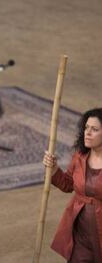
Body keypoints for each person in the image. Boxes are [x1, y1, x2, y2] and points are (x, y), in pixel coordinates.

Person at [43, 108, 102, 262]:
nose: (87, 133)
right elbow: (67, 184)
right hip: (80, 232)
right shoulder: (80, 157)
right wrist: (54, 168)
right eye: (86, 128)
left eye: (94, 129)